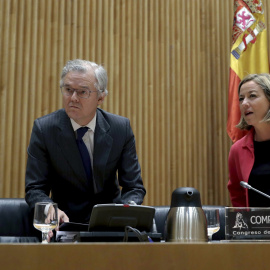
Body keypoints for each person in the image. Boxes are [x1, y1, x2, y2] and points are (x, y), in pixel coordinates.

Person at [25, 59, 146, 225]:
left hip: (110, 225)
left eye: (82, 92)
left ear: (101, 97)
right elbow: (35, 188)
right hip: (64, 224)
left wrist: (125, 210)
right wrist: (49, 209)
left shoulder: (120, 129)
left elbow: (134, 187)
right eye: (68, 90)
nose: (73, 98)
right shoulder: (45, 130)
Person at [228, 73, 270, 207]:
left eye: (252, 96)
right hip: (256, 226)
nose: (244, 103)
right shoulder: (238, 150)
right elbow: (237, 194)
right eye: (241, 98)